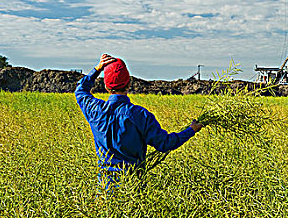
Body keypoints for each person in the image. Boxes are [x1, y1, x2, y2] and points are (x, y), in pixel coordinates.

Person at [75, 54, 203, 187]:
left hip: (105, 189)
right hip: (133, 188)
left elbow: (80, 90)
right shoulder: (140, 115)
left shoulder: (95, 110)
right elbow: (165, 144)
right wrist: (191, 130)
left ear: (106, 87)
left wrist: (97, 69)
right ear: (129, 84)